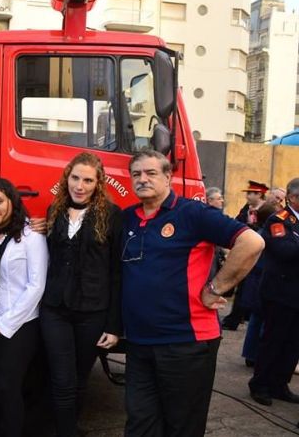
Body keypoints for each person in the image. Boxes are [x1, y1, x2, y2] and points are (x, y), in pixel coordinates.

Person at [121, 149, 263, 437]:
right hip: (138, 343)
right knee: (139, 424)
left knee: (182, 427)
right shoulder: (127, 219)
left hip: (186, 343)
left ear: (168, 177)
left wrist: (216, 288)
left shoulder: (193, 213)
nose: (142, 179)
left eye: (151, 173)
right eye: (136, 174)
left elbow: (251, 242)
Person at [41, 152, 122, 437]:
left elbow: (116, 273)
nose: (80, 185)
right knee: (62, 378)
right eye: (75, 178)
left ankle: (69, 428)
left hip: (92, 312)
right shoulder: (55, 210)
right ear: (67, 178)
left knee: (79, 379)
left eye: (88, 180)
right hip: (55, 310)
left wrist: (114, 326)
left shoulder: (112, 216)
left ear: (98, 183)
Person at [0, 177, 48, 437]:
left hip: (18, 326)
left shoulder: (31, 237)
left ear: (12, 202)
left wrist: (6, 324)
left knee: (8, 386)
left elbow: (36, 285)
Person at [248, 178, 299, 406]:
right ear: (293, 198)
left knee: (293, 344)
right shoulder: (278, 220)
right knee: (273, 340)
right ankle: (260, 384)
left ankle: (280, 384)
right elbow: (284, 250)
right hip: (280, 292)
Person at [224, 180, 269, 330]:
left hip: (259, 255)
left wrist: (251, 227)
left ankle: (239, 317)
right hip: (245, 251)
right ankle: (236, 318)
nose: (247, 196)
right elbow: (238, 222)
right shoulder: (247, 209)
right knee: (242, 285)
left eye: (250, 193)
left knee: (250, 287)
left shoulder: (268, 210)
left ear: (259, 194)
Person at [239, 203, 277, 368]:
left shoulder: (258, 233)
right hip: (262, 281)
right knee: (263, 321)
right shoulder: (266, 237)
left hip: (255, 281)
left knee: (256, 320)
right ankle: (256, 355)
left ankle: (250, 355)